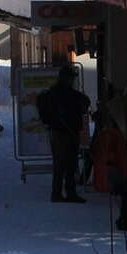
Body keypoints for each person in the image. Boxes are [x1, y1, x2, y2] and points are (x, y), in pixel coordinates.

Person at [35, 68, 92, 203]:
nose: (72, 80)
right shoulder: (65, 94)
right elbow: (84, 102)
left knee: (61, 164)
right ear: (66, 78)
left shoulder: (54, 92)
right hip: (65, 133)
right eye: (71, 78)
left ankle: (59, 193)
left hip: (59, 132)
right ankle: (66, 193)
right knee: (68, 164)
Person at [89, 87, 127, 232]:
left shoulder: (109, 129)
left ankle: (126, 220)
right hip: (117, 166)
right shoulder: (113, 132)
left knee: (126, 193)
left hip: (116, 165)